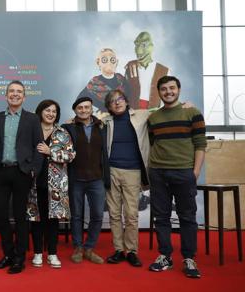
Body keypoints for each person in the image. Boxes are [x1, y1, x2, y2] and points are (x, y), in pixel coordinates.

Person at [147, 76, 206, 278]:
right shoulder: (153, 118)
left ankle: (189, 258)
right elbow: (154, 142)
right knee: (161, 217)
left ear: (179, 89)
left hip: (184, 172)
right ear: (160, 92)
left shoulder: (193, 112)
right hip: (157, 172)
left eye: (172, 88)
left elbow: (200, 144)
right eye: (164, 89)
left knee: (187, 217)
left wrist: (195, 172)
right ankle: (165, 256)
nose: (168, 92)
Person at [0, 80, 43, 274]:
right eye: (11, 91)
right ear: (6, 95)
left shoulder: (32, 119)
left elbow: (39, 146)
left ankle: (19, 258)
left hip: (22, 172)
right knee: (1, 216)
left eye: (19, 91)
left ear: (24, 96)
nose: (15, 94)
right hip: (0, 172)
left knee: (20, 217)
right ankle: (8, 255)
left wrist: (34, 169)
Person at [102, 89, 149, 267]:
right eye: (112, 101)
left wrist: (186, 105)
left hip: (133, 171)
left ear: (126, 101)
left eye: (120, 99)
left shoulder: (141, 116)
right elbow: (83, 121)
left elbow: (163, 111)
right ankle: (119, 250)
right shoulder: (105, 121)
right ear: (109, 107)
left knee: (131, 215)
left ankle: (131, 251)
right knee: (114, 214)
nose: (117, 102)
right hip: (112, 170)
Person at [62, 97, 110, 265]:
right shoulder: (67, 128)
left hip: (97, 178)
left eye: (87, 107)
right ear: (75, 110)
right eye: (80, 108)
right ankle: (78, 247)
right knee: (76, 215)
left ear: (91, 109)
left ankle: (89, 248)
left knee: (97, 215)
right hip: (76, 178)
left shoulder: (102, 127)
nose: (83, 110)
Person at [27, 99, 75, 269]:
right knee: (36, 219)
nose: (50, 114)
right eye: (47, 110)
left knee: (53, 220)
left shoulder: (62, 132)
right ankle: (38, 253)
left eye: (54, 111)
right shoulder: (32, 130)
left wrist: (51, 152)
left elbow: (70, 156)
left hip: (55, 185)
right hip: (33, 182)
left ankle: (53, 254)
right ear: (40, 111)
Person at [77, 48, 132, 115]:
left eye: (112, 60)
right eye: (104, 60)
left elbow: (131, 96)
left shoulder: (122, 80)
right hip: (106, 119)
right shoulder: (93, 85)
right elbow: (79, 103)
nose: (109, 63)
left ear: (116, 62)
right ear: (98, 62)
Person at [125, 31, 170, 110]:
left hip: (155, 115)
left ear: (151, 47)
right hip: (133, 114)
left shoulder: (164, 71)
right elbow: (125, 92)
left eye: (143, 45)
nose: (139, 50)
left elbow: (168, 96)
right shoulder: (130, 67)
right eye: (137, 45)